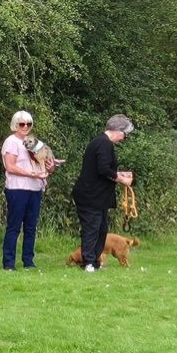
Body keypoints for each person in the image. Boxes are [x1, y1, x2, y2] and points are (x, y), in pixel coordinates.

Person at [71, 115, 136, 272]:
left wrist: (120, 173)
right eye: (124, 134)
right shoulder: (103, 143)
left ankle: (95, 262)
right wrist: (122, 179)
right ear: (117, 130)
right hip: (90, 195)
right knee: (92, 229)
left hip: (97, 197)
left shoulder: (101, 143)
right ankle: (88, 263)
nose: (124, 138)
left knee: (101, 229)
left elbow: (103, 169)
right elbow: (103, 169)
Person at [1, 111, 54, 270]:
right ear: (15, 125)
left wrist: (49, 168)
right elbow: (10, 167)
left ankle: (28, 261)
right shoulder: (11, 142)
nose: (25, 127)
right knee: (14, 226)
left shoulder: (35, 142)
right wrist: (32, 174)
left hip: (35, 188)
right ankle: (9, 262)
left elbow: (43, 162)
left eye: (28, 124)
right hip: (18, 188)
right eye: (22, 124)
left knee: (31, 227)